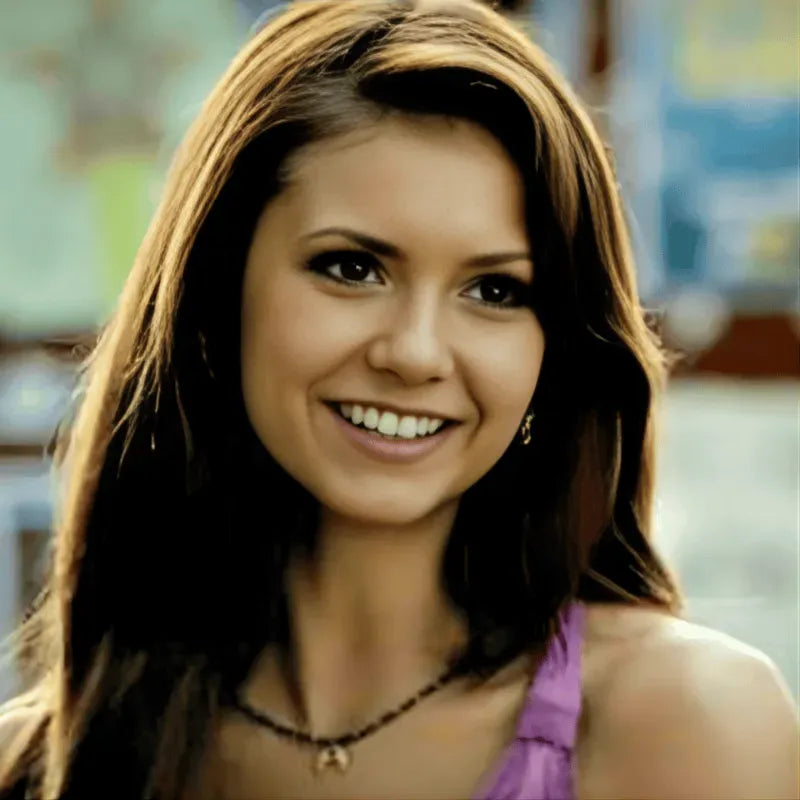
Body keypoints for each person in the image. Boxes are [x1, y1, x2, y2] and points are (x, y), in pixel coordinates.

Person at [1, 0, 797, 797]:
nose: (414, 353)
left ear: (556, 353)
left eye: (495, 289)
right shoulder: (39, 763)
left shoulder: (690, 723)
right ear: (219, 289)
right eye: (352, 268)